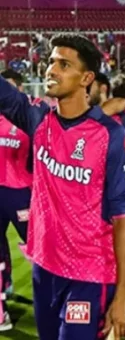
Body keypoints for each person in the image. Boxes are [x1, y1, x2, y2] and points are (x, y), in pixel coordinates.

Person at [0, 35, 125, 339]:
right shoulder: (39, 122)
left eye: (64, 64)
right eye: (51, 62)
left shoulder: (112, 137)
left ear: (86, 78)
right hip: (44, 268)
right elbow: (4, 95)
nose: (51, 70)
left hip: (88, 275)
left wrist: (123, 295)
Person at [0, 70, 32, 332]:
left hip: (24, 194)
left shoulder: (30, 118)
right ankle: (1, 309)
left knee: (38, 251)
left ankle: (55, 301)